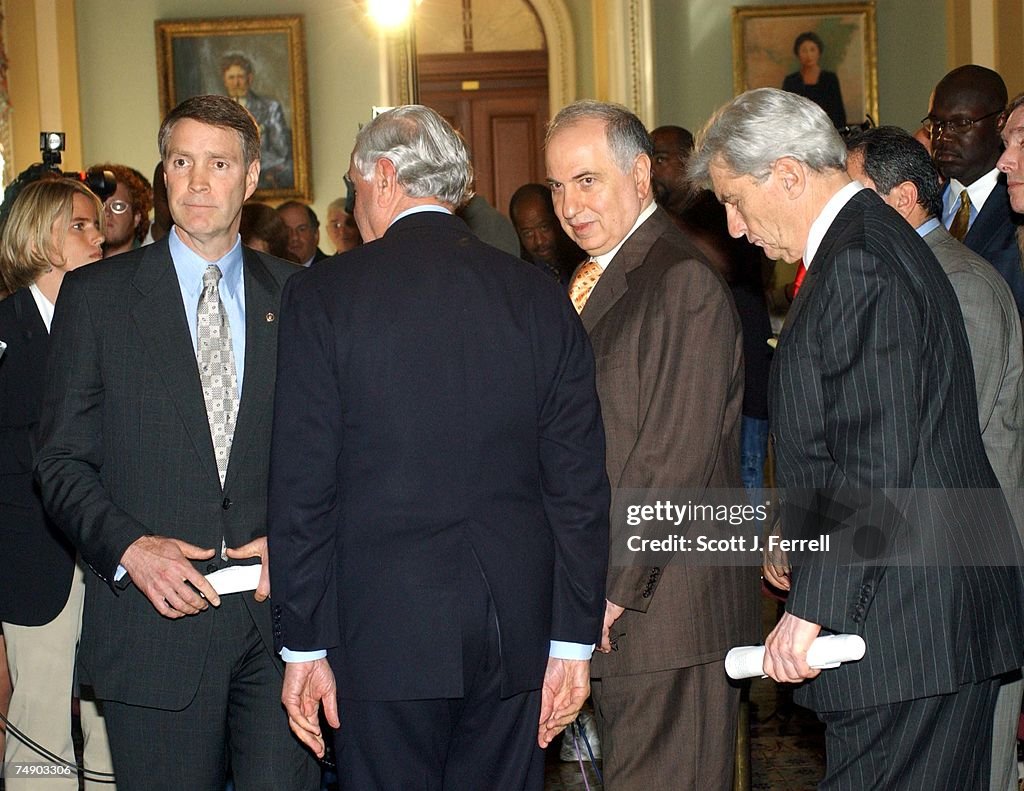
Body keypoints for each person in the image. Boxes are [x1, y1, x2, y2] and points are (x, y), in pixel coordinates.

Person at [267, 104, 610, 791]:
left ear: (385, 177)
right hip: (514, 627)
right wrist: (571, 641)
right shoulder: (538, 295)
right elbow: (577, 483)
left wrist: (302, 641)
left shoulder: (325, 294)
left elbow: (303, 484)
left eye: (354, 185)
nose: (354, 203)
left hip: (380, 628)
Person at [690, 86, 1024, 789]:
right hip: (920, 618)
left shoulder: (860, 259)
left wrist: (811, 609)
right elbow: (856, 427)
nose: (735, 227)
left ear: (786, 174)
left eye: (734, 200)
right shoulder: (866, 241)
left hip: (908, 625)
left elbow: (876, 459)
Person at [33, 95, 319, 791]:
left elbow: (336, 451)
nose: (197, 182)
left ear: (251, 179)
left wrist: (300, 541)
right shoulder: (97, 298)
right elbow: (59, 460)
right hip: (152, 625)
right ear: (163, 173)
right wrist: (131, 549)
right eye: (182, 161)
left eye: (218, 164)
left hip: (278, 624)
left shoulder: (306, 295)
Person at [545, 100, 758, 790]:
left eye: (586, 180)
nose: (568, 204)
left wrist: (607, 590)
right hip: (620, 606)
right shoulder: (594, 277)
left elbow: (672, 457)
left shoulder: (679, 280)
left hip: (665, 610)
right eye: (556, 186)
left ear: (639, 175)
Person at [847, 123, 1024, 791]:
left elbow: (955, 444)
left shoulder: (962, 285)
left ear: (899, 201)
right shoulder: (907, 274)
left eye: (851, 196)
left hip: (971, 568)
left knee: (977, 766)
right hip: (922, 567)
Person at [0, 178, 114, 790]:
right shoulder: (5, 328)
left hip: (109, 556)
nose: (98, 236)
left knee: (109, 723)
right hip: (32, 559)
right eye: (80, 225)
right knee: (40, 726)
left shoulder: (107, 318)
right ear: (40, 238)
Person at [927, 65, 1024, 318]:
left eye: (961, 123)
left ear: (999, 122)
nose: (943, 136)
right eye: (937, 123)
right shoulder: (918, 206)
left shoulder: (1017, 205)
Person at [221, 52, 293, 190]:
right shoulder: (214, 110)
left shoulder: (270, 107)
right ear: (224, 81)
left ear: (250, 78)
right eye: (231, 77)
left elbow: (282, 151)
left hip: (262, 174)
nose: (236, 83)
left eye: (240, 77)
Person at [508, 183, 585, 283]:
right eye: (528, 233)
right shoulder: (518, 278)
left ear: (557, 219)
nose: (539, 241)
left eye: (544, 227)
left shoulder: (586, 261)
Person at [782, 32, 846, 129]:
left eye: (812, 50)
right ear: (797, 54)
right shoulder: (791, 81)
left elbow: (838, 113)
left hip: (827, 132)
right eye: (804, 50)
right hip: (799, 132)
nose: (808, 55)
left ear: (819, 52)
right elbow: (786, 113)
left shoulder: (829, 79)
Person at [91, 163, 152, 257]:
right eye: (100, 205)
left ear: (136, 218)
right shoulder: (79, 264)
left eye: (118, 206)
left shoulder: (150, 265)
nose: (107, 213)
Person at [276, 200, 327, 266]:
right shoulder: (267, 272)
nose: (294, 237)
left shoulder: (335, 269)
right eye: (287, 231)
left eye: (301, 229)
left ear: (316, 234)